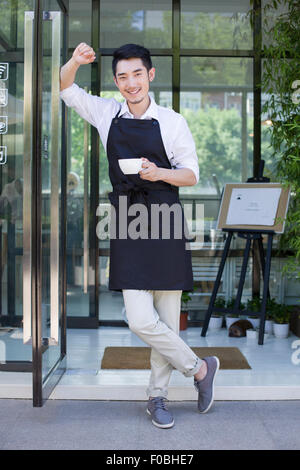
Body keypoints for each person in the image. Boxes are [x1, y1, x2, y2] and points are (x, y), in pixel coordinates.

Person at [59, 43, 219, 429]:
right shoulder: (106, 113)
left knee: (165, 317)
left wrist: (158, 173)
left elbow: (190, 174)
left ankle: (157, 397)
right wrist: (75, 63)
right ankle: (199, 369)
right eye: (122, 77)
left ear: (150, 75)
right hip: (128, 219)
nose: (130, 83)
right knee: (140, 319)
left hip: (165, 218)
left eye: (137, 74)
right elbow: (65, 88)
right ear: (116, 82)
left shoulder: (171, 121)